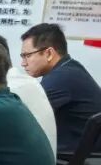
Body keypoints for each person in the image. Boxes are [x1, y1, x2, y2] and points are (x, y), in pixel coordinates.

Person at [20, 23, 101, 153]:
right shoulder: (69, 68)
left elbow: (22, 115)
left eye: (27, 56)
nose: (23, 63)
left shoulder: (62, 77)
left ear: (49, 53)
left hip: (77, 158)